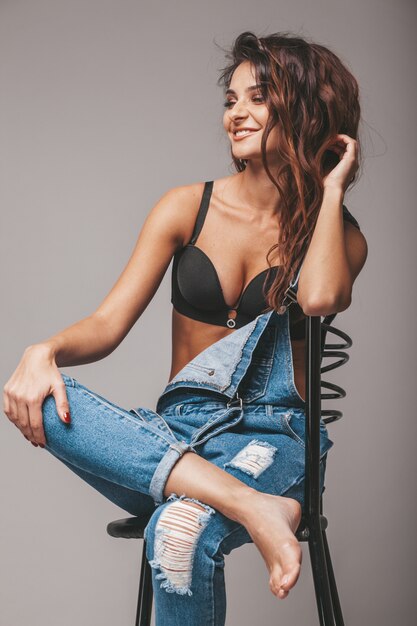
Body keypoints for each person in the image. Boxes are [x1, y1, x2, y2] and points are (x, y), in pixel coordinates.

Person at [3, 30, 368, 626]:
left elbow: (325, 296)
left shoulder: (337, 235)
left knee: (177, 528)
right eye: (230, 101)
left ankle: (242, 497)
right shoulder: (185, 207)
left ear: (306, 112)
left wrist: (330, 188)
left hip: (271, 439)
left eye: (258, 98)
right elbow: (106, 324)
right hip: (177, 434)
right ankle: (254, 507)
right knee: (38, 400)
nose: (236, 115)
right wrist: (44, 350)